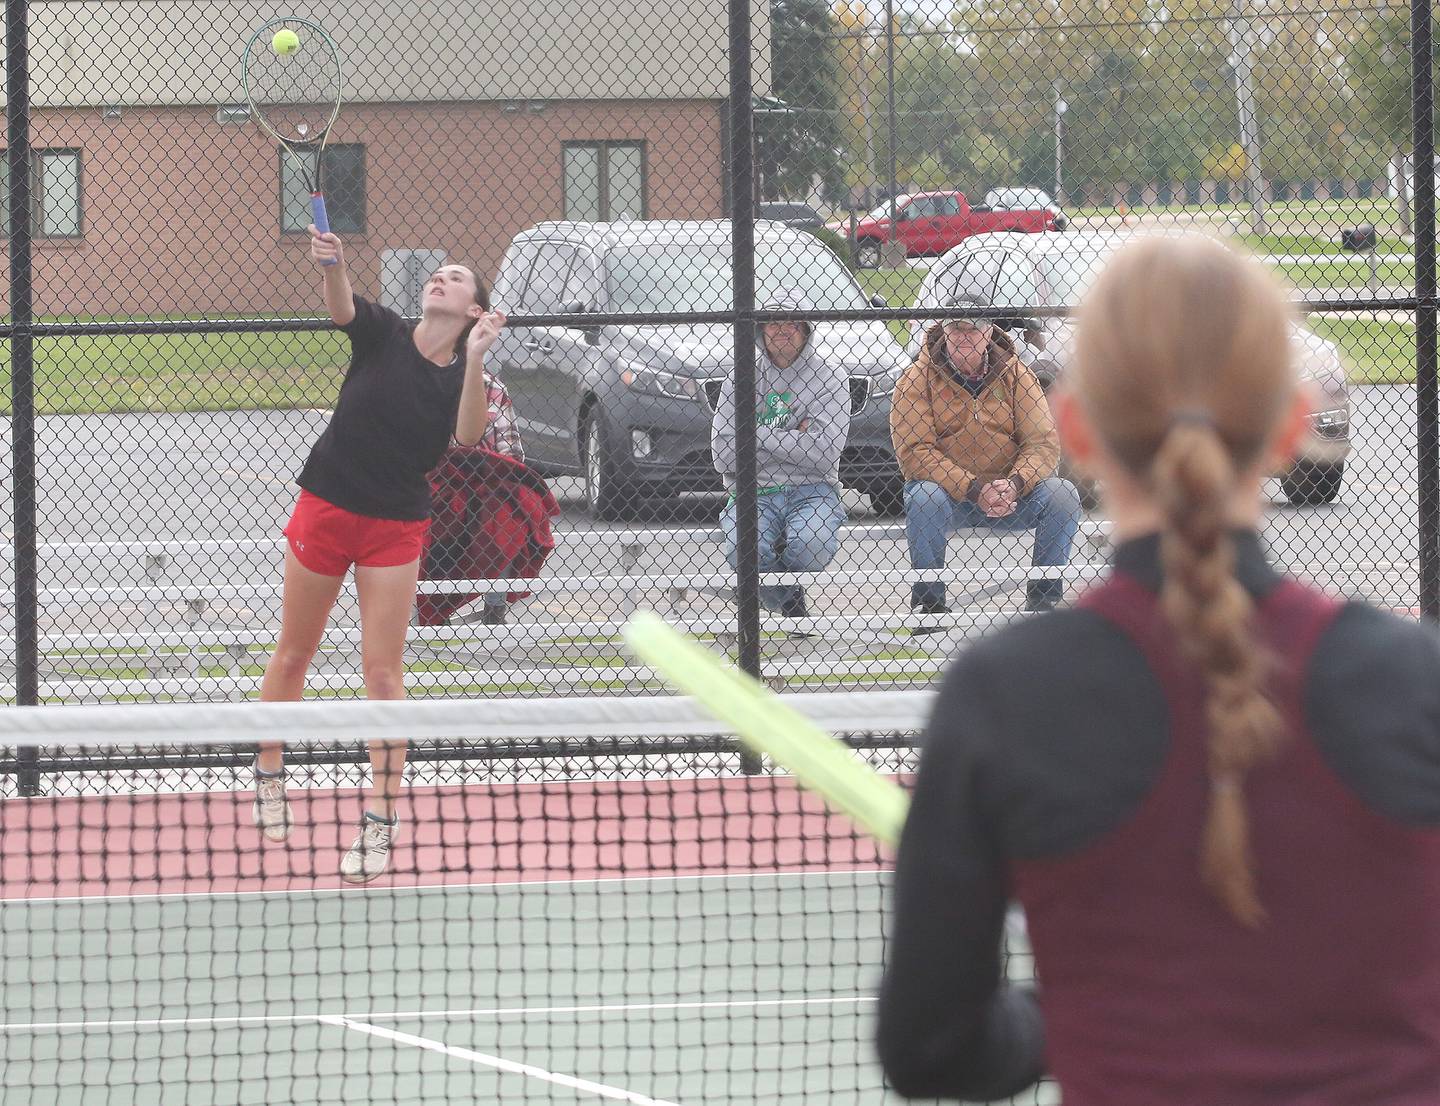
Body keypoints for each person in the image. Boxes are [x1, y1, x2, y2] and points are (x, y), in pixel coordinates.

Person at [876, 236, 1440, 1103]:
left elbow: (931, 1046)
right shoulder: (1415, 683)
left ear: (1075, 429)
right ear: (1291, 424)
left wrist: (1060, 1010)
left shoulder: (1007, 696)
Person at [251, 224, 506, 884]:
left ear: (476, 310)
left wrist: (476, 357)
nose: (440, 277)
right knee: (293, 653)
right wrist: (332, 265)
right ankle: (271, 774)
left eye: (456, 276)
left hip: (394, 527)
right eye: (437, 271)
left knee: (383, 676)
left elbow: (469, 432)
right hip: (328, 504)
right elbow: (341, 306)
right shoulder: (384, 331)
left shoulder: (463, 375)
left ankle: (381, 821)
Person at [889, 295, 1081, 626]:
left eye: (974, 329)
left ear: (989, 331)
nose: (965, 336)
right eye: (957, 328)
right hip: (951, 496)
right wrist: (974, 488)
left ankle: (1043, 600)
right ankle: (929, 603)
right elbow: (915, 452)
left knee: (1062, 494)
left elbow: (1043, 442)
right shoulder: (916, 378)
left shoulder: (1017, 374)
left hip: (1013, 493)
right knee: (923, 496)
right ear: (943, 331)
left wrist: (1016, 482)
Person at [710, 294, 851, 623]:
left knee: (810, 547)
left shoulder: (830, 378)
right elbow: (723, 453)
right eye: (773, 321)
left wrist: (754, 434)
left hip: (813, 489)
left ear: (805, 328)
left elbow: (825, 452)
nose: (783, 329)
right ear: (760, 330)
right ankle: (789, 600)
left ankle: (763, 592)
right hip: (752, 491)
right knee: (745, 552)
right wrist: (797, 435)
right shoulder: (740, 377)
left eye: (791, 321)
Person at [423, 367, 527, 626]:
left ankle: (495, 608)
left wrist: (492, 477)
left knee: (506, 513)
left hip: (486, 486)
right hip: (440, 485)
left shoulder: (492, 387)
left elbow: (512, 454)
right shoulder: (423, 380)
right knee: (441, 512)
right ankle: (434, 607)